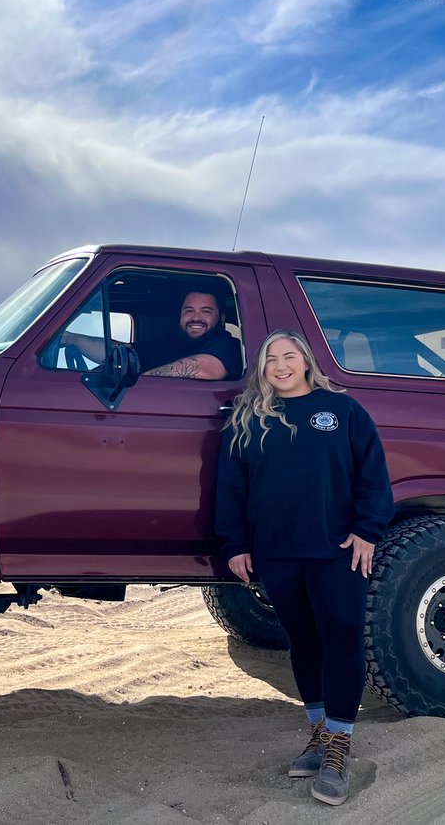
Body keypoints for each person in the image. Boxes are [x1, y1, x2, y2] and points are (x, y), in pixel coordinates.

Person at [214, 328, 393, 807]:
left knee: (342, 633)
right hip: (276, 550)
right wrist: (235, 543)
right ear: (262, 368)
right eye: (271, 359)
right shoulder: (248, 418)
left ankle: (339, 745)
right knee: (303, 638)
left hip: (336, 547)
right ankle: (318, 733)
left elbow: (372, 474)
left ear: (307, 361)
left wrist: (368, 530)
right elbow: (230, 487)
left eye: (289, 356)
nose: (280, 366)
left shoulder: (344, 411)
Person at [62, 289, 242, 380]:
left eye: (206, 311)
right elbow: (122, 352)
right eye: (189, 311)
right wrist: (73, 339)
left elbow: (205, 367)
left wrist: (139, 381)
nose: (196, 318)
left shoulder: (229, 346)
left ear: (221, 319)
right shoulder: (170, 343)